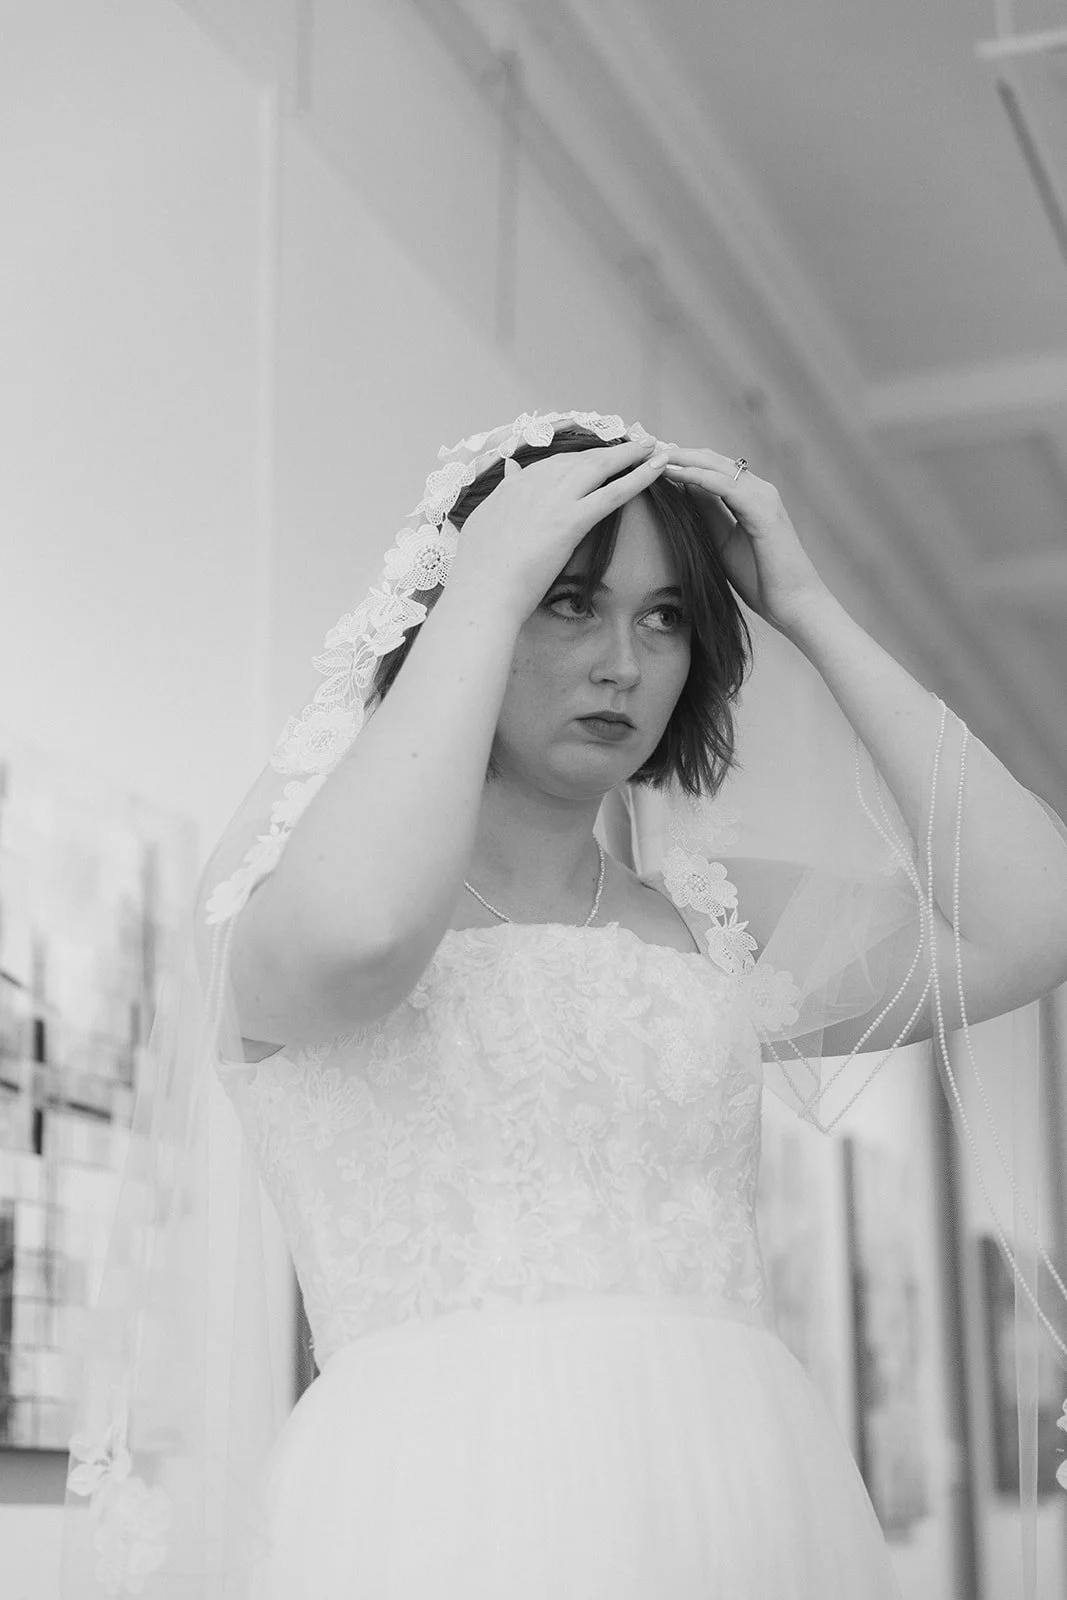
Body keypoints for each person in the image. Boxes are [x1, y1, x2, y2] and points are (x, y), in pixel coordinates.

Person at [62, 411, 1067, 1598]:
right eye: (570, 600)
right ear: (465, 608)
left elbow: (1031, 918)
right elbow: (369, 938)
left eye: (666, 617)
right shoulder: (281, 905)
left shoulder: (702, 915)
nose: (623, 665)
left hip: (746, 1494)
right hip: (447, 1501)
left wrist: (804, 604)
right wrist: (486, 584)